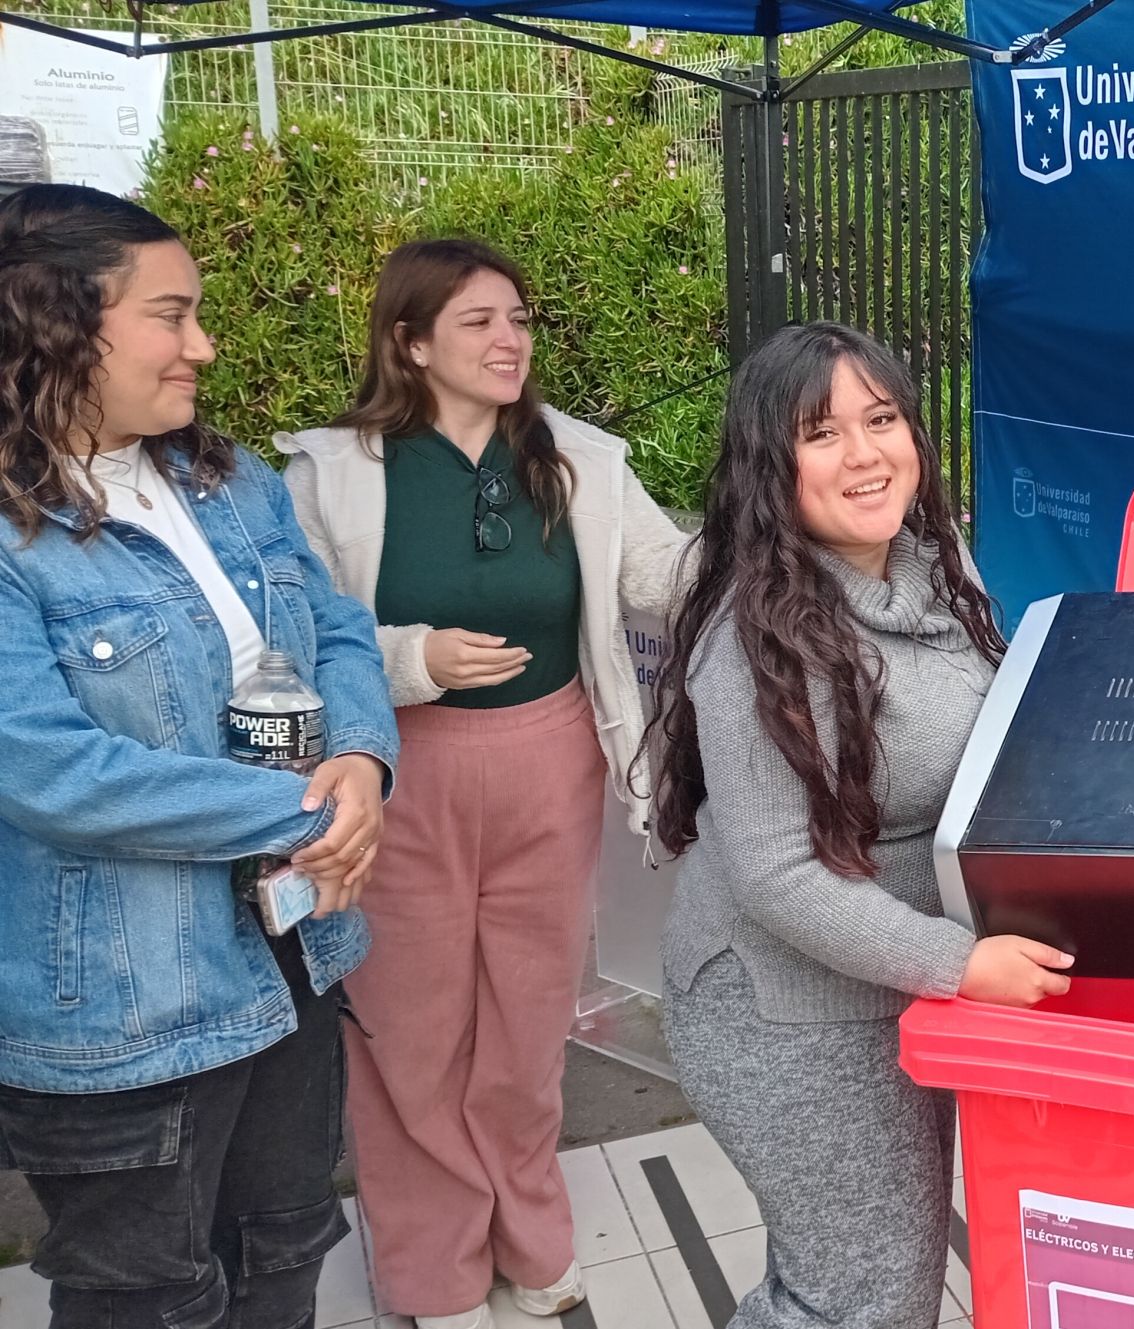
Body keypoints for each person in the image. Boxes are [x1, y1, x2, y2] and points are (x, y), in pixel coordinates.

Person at [0, 184, 397, 1328]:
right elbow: (50, 769)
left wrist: (363, 758)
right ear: (54, 321)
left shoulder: (227, 482)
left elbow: (335, 629)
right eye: (171, 316)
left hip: (292, 955)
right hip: (129, 1004)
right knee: (150, 1298)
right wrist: (309, 816)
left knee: (284, 1253)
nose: (204, 346)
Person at [278, 238, 684, 1328]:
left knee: (527, 1016)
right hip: (393, 770)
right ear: (409, 343)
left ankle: (530, 1233)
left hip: (552, 762)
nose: (511, 341)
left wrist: (782, 537)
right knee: (408, 1027)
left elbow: (662, 575)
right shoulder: (329, 473)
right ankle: (433, 1264)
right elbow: (292, 633)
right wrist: (413, 659)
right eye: (479, 322)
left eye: (519, 319)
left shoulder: (579, 458)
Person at [649, 321, 1076, 1328]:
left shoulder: (935, 564)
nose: (864, 453)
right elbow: (778, 875)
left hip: (903, 982)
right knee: (858, 1298)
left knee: (878, 1282)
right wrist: (958, 962)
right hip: (787, 1009)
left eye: (881, 420)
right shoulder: (755, 635)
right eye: (822, 433)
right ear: (770, 465)